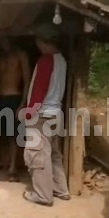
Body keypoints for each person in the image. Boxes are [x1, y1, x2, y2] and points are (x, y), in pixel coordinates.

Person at [22, 23, 71, 206]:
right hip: (55, 113)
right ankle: (61, 189)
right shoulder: (61, 60)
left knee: (37, 154)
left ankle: (42, 195)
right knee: (53, 154)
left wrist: (29, 114)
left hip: (41, 115)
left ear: (42, 41)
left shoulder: (46, 60)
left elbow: (39, 90)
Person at [0, 37, 30, 181]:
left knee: (13, 134)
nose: (2, 42)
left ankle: (12, 168)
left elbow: (27, 81)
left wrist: (23, 104)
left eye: (4, 39)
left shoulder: (21, 55)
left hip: (14, 98)